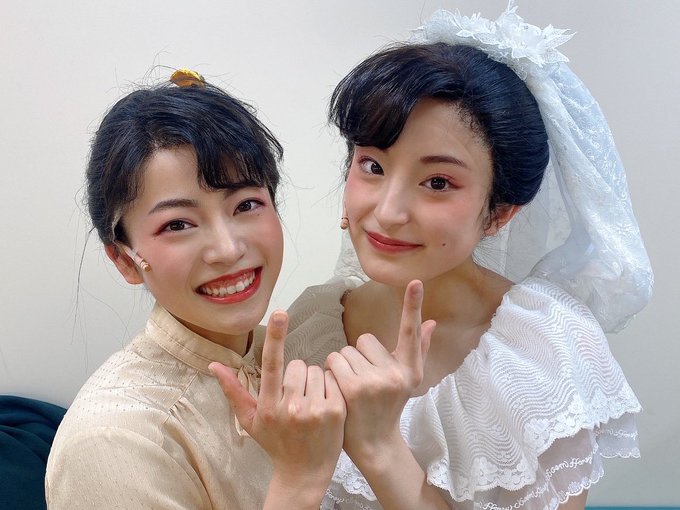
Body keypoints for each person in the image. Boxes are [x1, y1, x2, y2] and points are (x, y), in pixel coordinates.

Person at [262, 4, 652, 509]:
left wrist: (380, 448)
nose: (388, 211)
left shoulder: (542, 352)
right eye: (372, 166)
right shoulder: (313, 325)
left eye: (438, 182)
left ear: (500, 213)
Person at [45, 70, 350, 509]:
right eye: (177, 224)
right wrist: (298, 480)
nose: (228, 249)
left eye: (246, 204)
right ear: (125, 259)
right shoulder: (113, 441)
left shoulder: (308, 352)